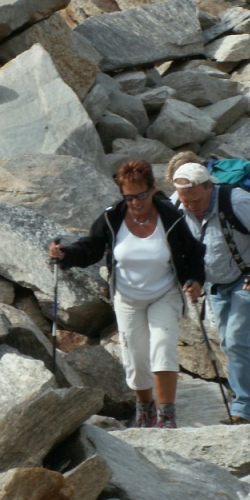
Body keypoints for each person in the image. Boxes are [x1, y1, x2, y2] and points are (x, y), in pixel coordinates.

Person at [49, 160, 205, 429]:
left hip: (165, 293)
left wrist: (195, 280)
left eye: (141, 196)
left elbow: (194, 253)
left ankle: (167, 416)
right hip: (127, 297)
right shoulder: (112, 218)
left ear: (153, 190)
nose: (135, 203)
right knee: (135, 356)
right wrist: (66, 254)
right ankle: (145, 410)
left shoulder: (170, 216)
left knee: (163, 348)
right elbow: (91, 248)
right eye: (129, 197)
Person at [172, 162, 250, 425]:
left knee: (235, 341)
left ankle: (244, 411)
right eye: (185, 201)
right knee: (230, 344)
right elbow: (178, 245)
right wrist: (193, 278)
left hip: (248, 277)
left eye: (196, 200)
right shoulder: (177, 205)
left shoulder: (237, 202)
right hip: (215, 283)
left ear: (209, 187)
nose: (191, 206)